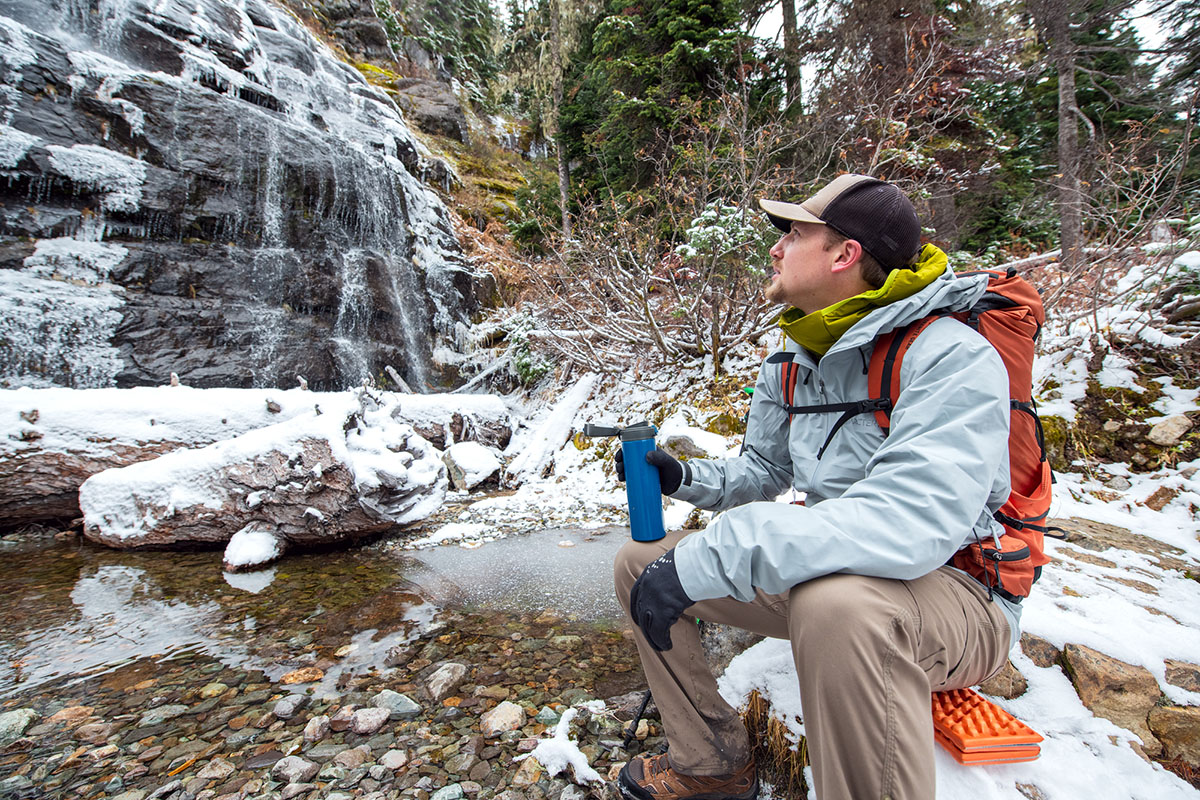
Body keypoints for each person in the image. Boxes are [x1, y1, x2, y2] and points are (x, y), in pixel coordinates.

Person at [613, 174, 1017, 800]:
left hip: (957, 593)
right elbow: (765, 472)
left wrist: (721, 550)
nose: (775, 249)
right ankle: (711, 763)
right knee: (641, 563)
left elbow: (910, 522)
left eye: (794, 233)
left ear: (844, 253)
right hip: (839, 571)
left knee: (840, 605)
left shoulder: (949, 356)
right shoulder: (793, 361)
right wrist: (685, 477)